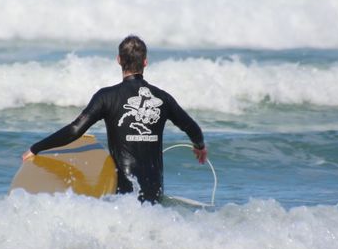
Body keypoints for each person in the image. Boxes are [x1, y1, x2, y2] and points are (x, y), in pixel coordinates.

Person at [22, 35, 207, 203]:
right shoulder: (162, 98)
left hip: (124, 198)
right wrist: (200, 146)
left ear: (119, 60)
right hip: (155, 194)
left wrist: (36, 148)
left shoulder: (106, 97)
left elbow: (75, 130)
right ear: (145, 62)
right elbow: (192, 127)